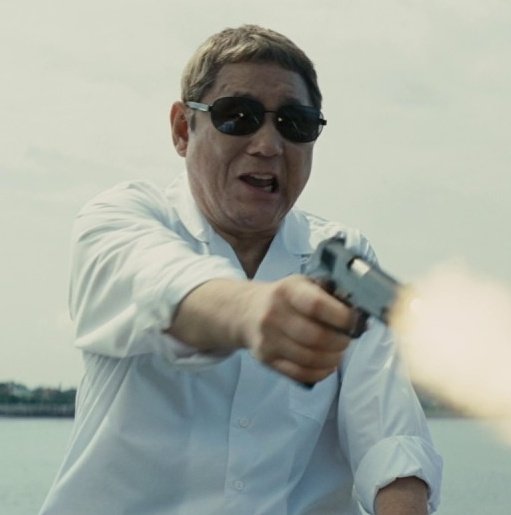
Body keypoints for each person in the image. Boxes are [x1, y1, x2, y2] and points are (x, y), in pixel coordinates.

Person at [41, 25, 441, 515]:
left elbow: (389, 436)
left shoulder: (345, 256)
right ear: (183, 129)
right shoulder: (119, 219)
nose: (268, 144)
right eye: (238, 117)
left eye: (295, 123)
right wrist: (254, 312)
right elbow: (161, 285)